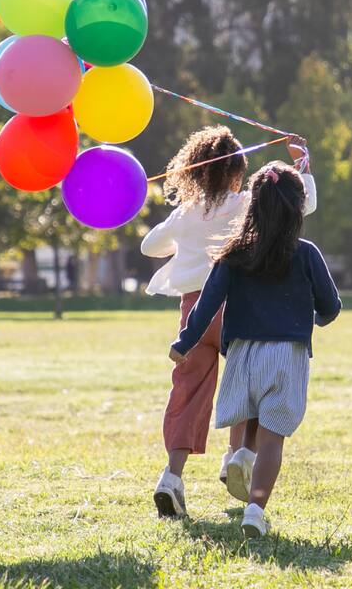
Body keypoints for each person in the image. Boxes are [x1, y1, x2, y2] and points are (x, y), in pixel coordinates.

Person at [142, 127, 316, 518]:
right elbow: (302, 205)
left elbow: (149, 246)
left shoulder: (186, 213)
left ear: (195, 172)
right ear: (238, 172)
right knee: (249, 384)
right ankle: (237, 456)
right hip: (237, 308)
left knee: (187, 392)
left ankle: (171, 476)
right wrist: (302, 165)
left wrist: (184, 229)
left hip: (194, 313)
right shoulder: (246, 204)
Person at [169, 162, 340, 537]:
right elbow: (331, 306)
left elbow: (207, 305)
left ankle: (242, 455)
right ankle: (255, 510)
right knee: (273, 437)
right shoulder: (306, 253)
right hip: (286, 355)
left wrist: (184, 342)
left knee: (250, 414)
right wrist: (315, 317)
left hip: (242, 353)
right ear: (298, 208)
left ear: (253, 206)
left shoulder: (234, 253)